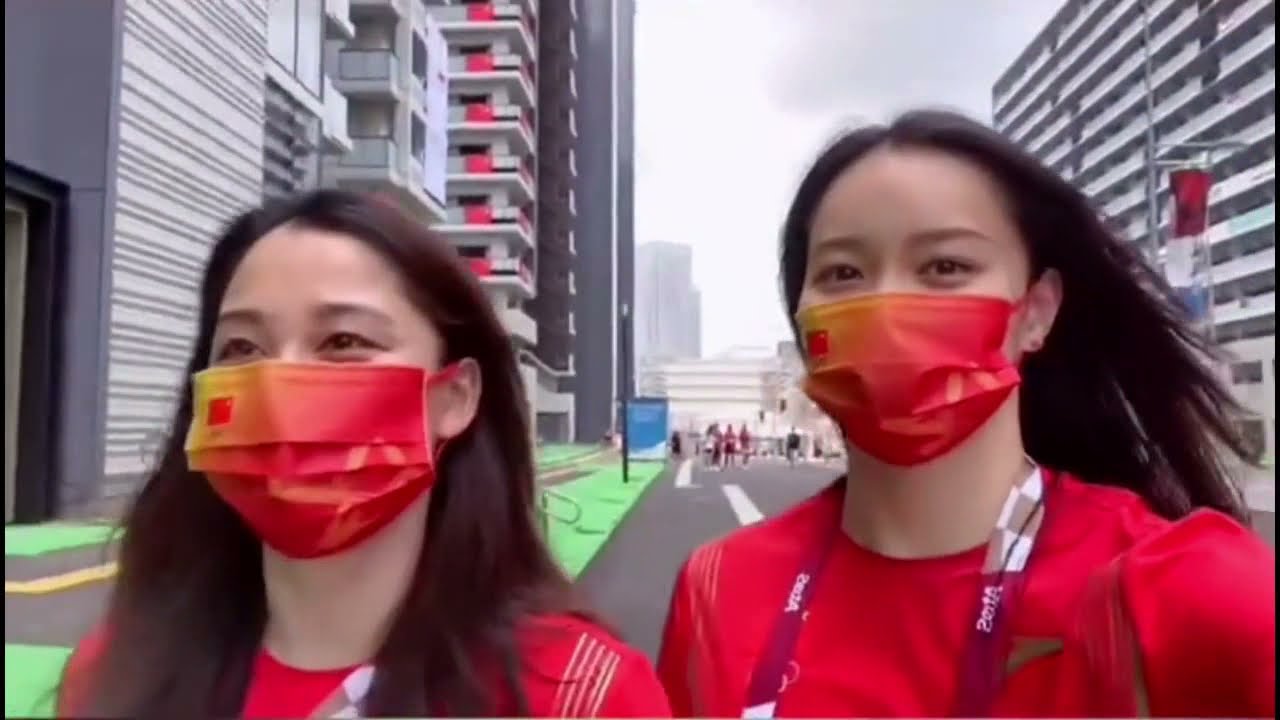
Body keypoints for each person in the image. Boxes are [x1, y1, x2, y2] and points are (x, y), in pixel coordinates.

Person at [657, 110, 1274, 717]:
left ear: (1037, 310)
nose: (889, 307)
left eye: (945, 267)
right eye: (843, 273)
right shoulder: (717, 591)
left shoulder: (1188, 595)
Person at [57, 191, 670, 718]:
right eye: (241, 347)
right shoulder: (110, 674)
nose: (278, 384)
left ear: (454, 396)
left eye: (344, 341)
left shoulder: (581, 694)